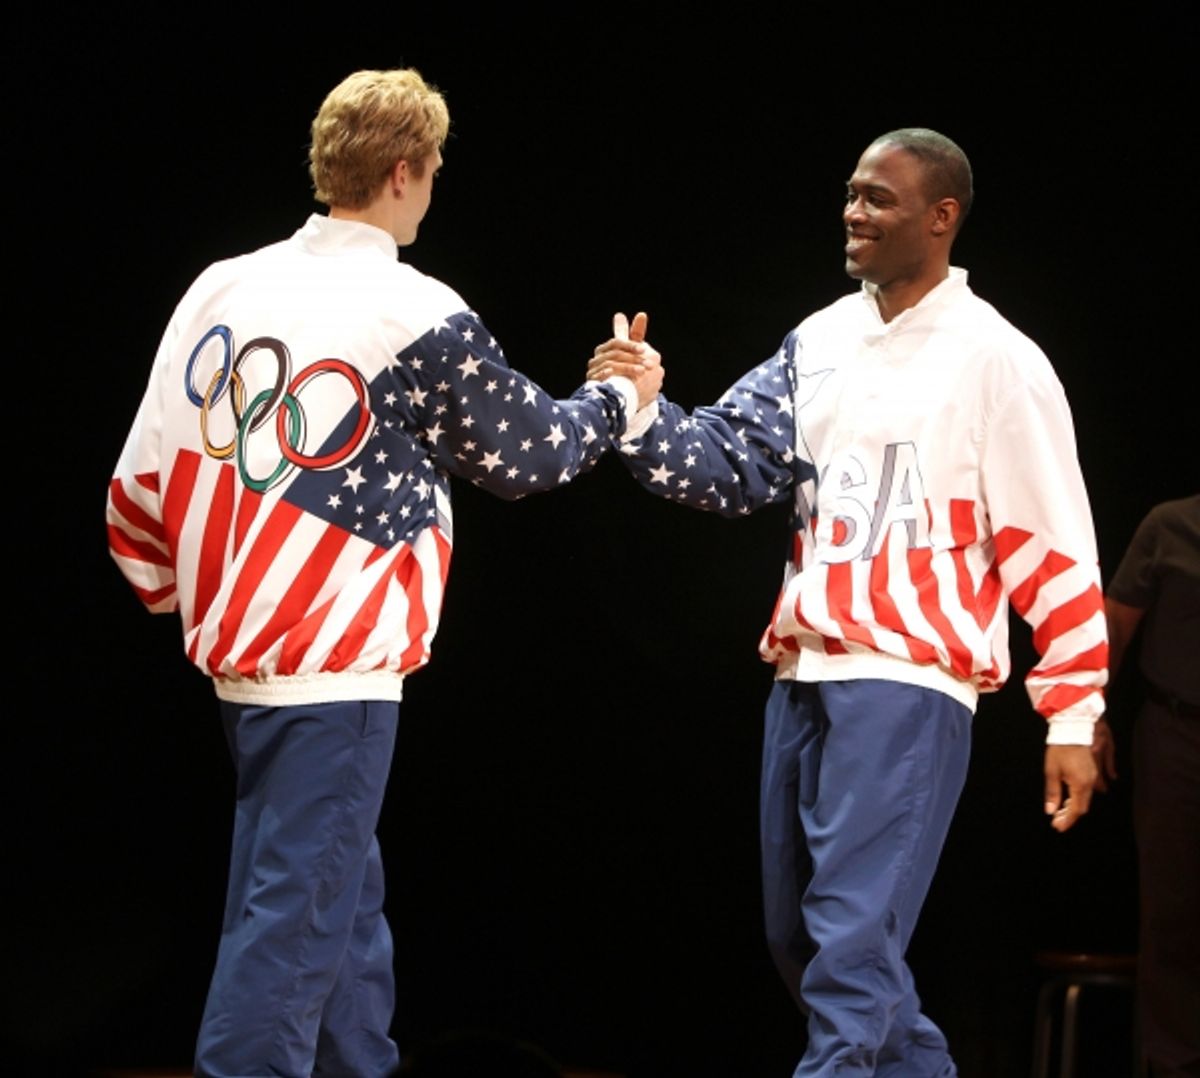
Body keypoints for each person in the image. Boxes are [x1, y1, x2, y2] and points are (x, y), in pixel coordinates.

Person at [105, 68, 661, 1078]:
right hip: (334, 663)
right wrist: (617, 398)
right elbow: (529, 454)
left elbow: (142, 475)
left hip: (244, 655)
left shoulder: (221, 286)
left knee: (337, 912)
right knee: (291, 926)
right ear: (406, 170)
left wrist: (191, 597)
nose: (435, 185)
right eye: (436, 167)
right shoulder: (410, 308)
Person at [589, 128, 1106, 1076]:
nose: (854, 213)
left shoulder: (999, 360)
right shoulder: (821, 337)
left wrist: (1072, 709)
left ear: (941, 218)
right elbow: (732, 463)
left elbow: (1053, 540)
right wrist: (647, 410)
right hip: (804, 673)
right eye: (851, 194)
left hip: (909, 680)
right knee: (801, 939)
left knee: (851, 944)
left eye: (880, 199)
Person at [1092, 495, 1199, 1078]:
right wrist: (1091, 715)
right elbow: (1113, 624)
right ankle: (1172, 1066)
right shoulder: (1170, 525)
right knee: (1173, 917)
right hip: (1178, 736)